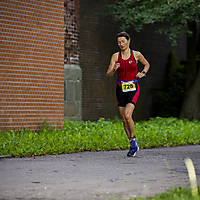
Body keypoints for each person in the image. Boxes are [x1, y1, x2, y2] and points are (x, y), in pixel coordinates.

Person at [106, 32, 150, 157]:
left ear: (128, 41)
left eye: (123, 41)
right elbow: (108, 74)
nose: (121, 44)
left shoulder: (136, 55)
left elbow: (147, 64)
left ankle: (133, 141)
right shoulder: (115, 56)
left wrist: (143, 73)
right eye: (119, 42)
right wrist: (114, 69)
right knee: (124, 120)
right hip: (120, 89)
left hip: (133, 88)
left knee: (127, 114)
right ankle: (132, 143)